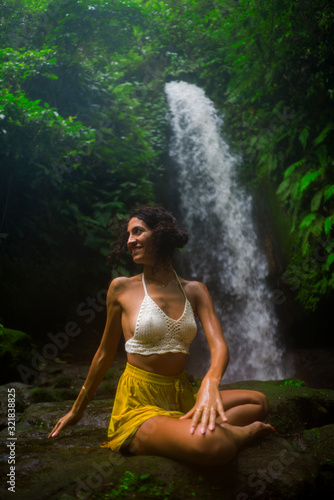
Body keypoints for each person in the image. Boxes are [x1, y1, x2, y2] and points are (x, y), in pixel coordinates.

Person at [49, 205, 274, 465]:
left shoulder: (195, 290)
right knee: (214, 446)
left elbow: (220, 346)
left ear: (161, 234)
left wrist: (210, 383)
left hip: (181, 396)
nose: (130, 240)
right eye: (128, 235)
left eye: (137, 232)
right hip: (139, 405)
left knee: (259, 402)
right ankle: (240, 433)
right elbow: (104, 353)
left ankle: (188, 426)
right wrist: (77, 410)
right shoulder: (121, 288)